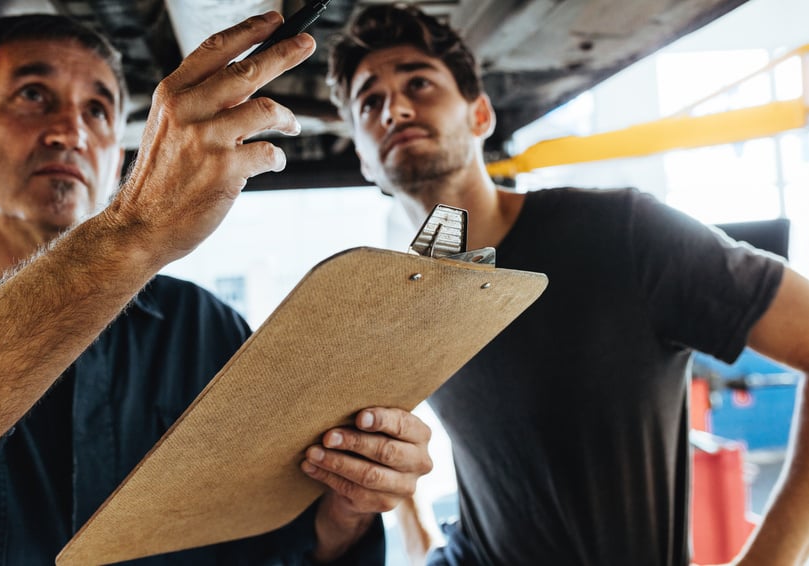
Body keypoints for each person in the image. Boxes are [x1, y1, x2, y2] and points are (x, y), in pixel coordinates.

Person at [328, 5, 809, 565]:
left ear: (480, 114)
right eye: (371, 102)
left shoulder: (625, 233)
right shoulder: (406, 300)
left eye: (419, 83)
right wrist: (416, 535)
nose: (397, 109)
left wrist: (767, 560)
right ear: (363, 158)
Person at [0, 12, 433, 565]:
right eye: (33, 95)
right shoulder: (146, 250)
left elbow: (281, 548)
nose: (71, 132)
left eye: (97, 109)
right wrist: (134, 230)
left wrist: (346, 511)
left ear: (118, 153)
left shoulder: (206, 328)